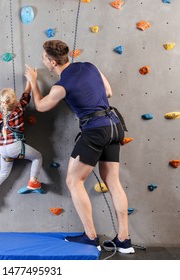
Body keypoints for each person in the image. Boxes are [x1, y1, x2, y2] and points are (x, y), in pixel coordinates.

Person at [24, 40, 134, 253]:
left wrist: (33, 81)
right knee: (112, 181)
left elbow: (40, 105)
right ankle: (124, 240)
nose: (43, 60)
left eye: (44, 58)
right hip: (114, 125)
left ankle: (91, 237)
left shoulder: (61, 86)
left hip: (95, 130)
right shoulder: (90, 66)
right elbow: (108, 92)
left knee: (73, 180)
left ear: (53, 62)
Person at [0, 81, 43, 213]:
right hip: (15, 146)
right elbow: (26, 96)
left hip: (3, 148)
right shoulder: (18, 110)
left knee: (3, 172)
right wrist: (31, 81)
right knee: (37, 157)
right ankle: (33, 181)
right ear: (14, 102)